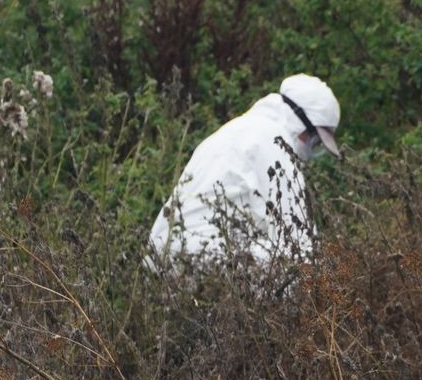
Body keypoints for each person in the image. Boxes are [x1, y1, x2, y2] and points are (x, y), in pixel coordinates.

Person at [147, 74, 342, 268]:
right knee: (291, 264)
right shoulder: (273, 141)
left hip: (163, 257)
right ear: (300, 121)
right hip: (200, 257)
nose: (309, 151)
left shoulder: (239, 129)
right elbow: (299, 239)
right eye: (313, 141)